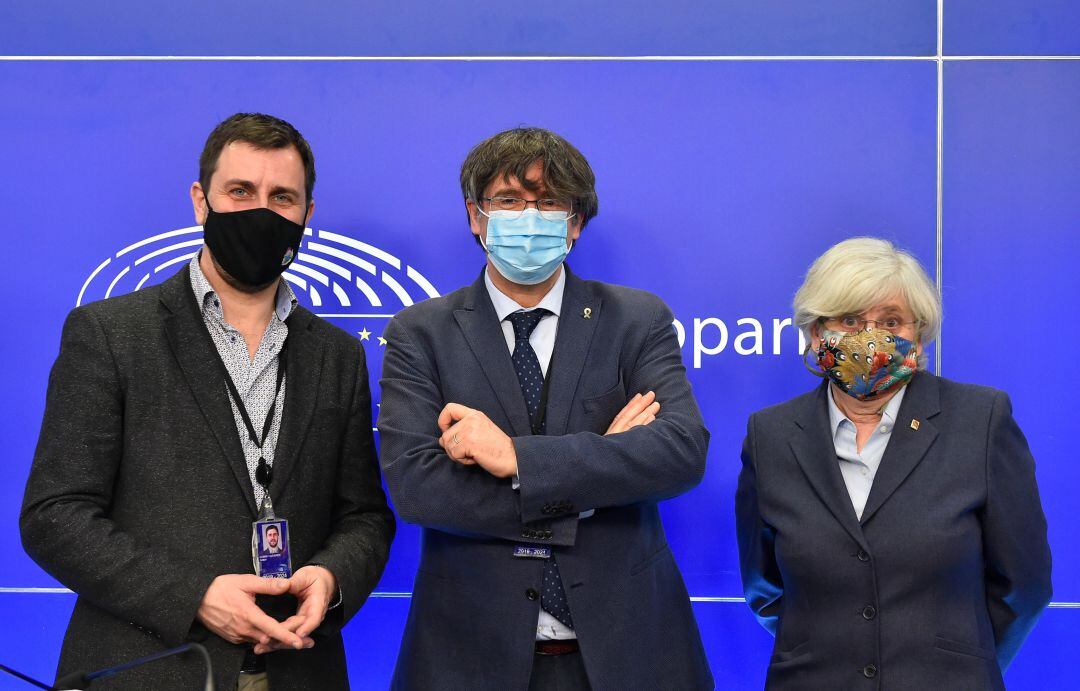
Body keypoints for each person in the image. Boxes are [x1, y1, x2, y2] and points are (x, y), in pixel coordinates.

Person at [21, 113, 395, 691]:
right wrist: (195, 597)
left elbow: (364, 516)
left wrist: (331, 578)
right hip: (149, 669)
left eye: (282, 197)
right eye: (240, 191)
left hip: (299, 668)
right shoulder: (111, 335)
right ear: (202, 201)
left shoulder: (338, 355)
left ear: (306, 216)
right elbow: (55, 516)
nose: (260, 210)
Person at [378, 127, 713, 690]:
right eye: (508, 201)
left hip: (629, 654)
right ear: (475, 217)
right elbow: (417, 487)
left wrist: (517, 460)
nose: (528, 218)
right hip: (468, 656)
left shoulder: (636, 320)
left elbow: (680, 451)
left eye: (549, 203)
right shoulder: (421, 334)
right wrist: (596, 475)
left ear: (576, 222)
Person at [736, 237, 1052, 689]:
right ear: (814, 332)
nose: (872, 338)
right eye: (849, 320)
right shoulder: (771, 435)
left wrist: (965, 665)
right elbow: (764, 588)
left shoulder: (980, 421)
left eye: (891, 321)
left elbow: (1025, 586)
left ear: (918, 334)